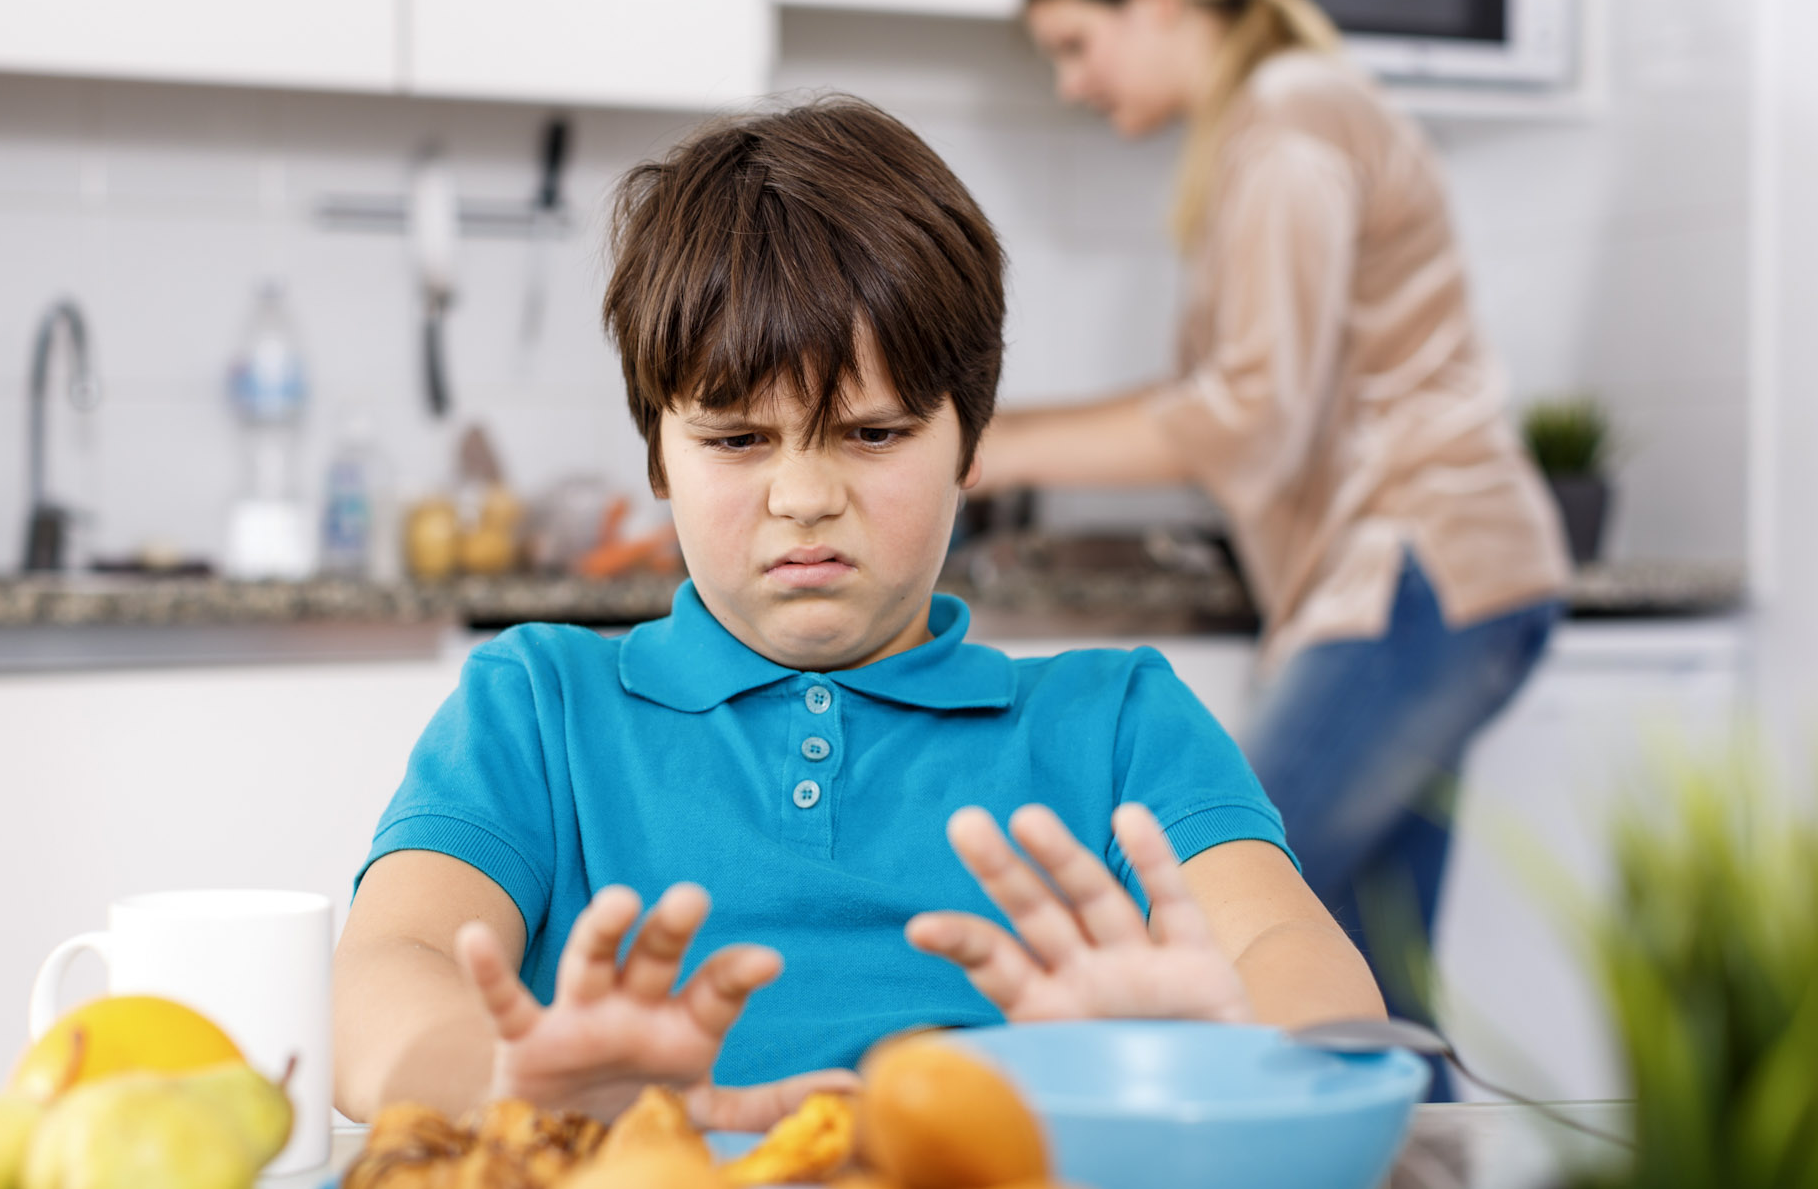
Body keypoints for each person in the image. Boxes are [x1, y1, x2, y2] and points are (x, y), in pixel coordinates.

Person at [332, 97, 1383, 1131]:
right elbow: (382, 983)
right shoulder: (534, 710)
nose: (802, 498)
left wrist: (1221, 1058)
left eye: (872, 434)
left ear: (970, 447)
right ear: (656, 453)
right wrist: (515, 1087)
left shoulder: (1120, 725)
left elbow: (1296, 972)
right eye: (737, 440)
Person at [978, 0, 1570, 1096]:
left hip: (1419, 574)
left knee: (1233, 915)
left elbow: (1249, 418)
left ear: (1151, 3)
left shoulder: (1287, 131)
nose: (1068, 84)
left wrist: (994, 444)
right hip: (1439, 578)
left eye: (1071, 45)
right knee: (1370, 981)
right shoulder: (1281, 121)